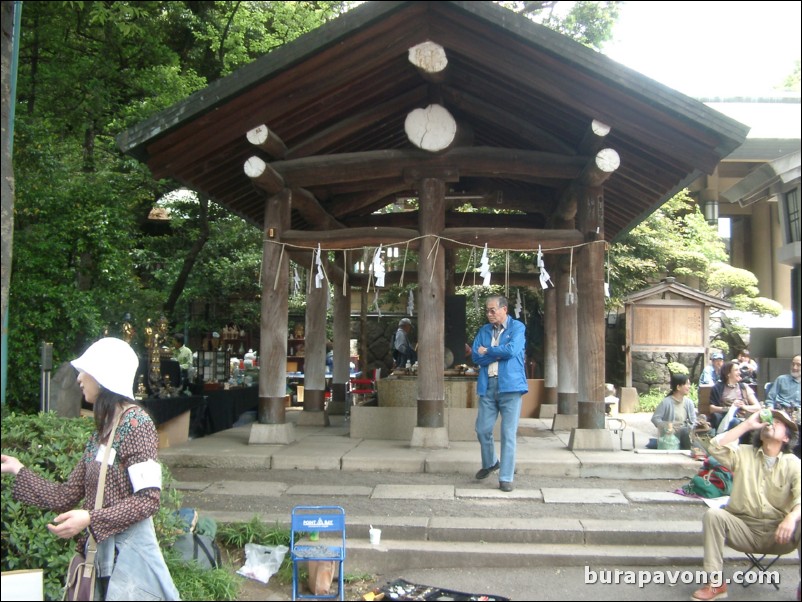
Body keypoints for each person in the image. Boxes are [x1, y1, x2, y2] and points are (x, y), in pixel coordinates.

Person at [0, 338, 180, 601]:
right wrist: (18, 470)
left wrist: (90, 519)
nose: (79, 379)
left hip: (126, 565)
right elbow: (66, 495)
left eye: (86, 371)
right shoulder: (103, 432)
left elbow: (148, 500)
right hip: (103, 562)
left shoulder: (137, 424)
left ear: (103, 376)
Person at [690, 409, 800, 601]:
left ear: (786, 438)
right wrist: (748, 424)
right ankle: (715, 583)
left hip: (780, 533)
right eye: (769, 420)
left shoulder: (793, 463)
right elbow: (714, 446)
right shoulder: (743, 454)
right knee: (714, 515)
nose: (771, 423)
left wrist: (791, 517)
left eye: (778, 423)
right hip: (744, 530)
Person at [471, 295, 528, 493]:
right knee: (482, 429)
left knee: (507, 433)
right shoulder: (484, 330)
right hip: (488, 385)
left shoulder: (517, 328)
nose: (489, 314)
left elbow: (512, 351)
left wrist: (487, 350)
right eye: (487, 310)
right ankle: (490, 463)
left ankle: (506, 477)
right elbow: (475, 356)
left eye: (493, 310)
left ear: (504, 309)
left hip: (511, 386)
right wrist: (492, 353)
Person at [708, 360, 761, 435]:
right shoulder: (718, 388)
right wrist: (731, 408)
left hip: (745, 418)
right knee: (735, 422)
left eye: (739, 370)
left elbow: (758, 407)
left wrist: (743, 407)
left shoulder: (744, 387)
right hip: (727, 419)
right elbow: (712, 409)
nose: (739, 372)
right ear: (728, 374)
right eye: (736, 370)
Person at [651, 373, 698, 450]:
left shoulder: (689, 403)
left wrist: (692, 426)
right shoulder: (666, 402)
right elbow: (655, 418)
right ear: (678, 387)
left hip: (684, 433)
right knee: (685, 432)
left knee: (688, 433)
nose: (689, 387)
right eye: (686, 384)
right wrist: (667, 426)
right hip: (670, 434)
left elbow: (693, 421)